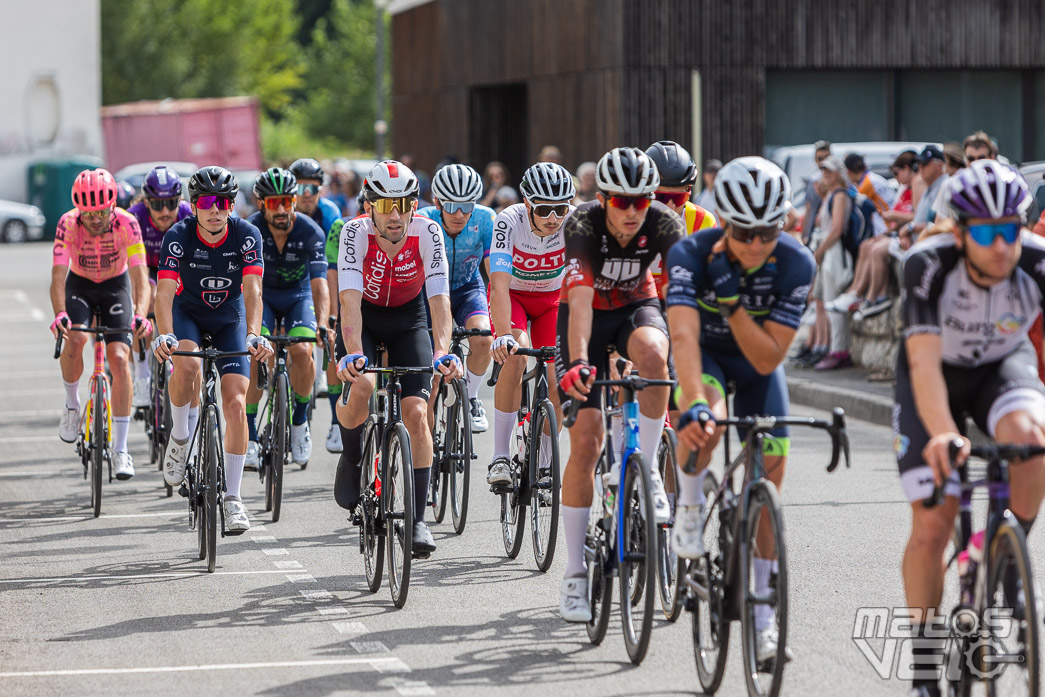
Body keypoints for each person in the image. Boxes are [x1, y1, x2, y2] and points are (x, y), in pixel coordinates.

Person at [893, 160, 1045, 697]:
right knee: (934, 521)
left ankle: (1005, 555)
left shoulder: (1037, 261)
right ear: (959, 231)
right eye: (987, 233)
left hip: (1002, 367)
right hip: (934, 375)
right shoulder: (927, 266)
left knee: (1031, 438)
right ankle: (925, 665)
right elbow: (924, 365)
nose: (1003, 245)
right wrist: (942, 433)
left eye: (1012, 229)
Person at [667, 155, 814, 665]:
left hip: (757, 366)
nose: (755, 244)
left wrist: (731, 304)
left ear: (784, 223)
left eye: (767, 231)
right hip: (703, 356)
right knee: (700, 421)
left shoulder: (797, 263)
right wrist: (692, 406)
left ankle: (765, 623)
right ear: (723, 223)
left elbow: (769, 356)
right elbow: (682, 337)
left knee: (768, 484)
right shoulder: (689, 252)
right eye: (744, 231)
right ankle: (688, 506)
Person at [556, 147, 684, 622]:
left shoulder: (666, 223)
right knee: (586, 444)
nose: (632, 212)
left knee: (656, 354)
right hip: (587, 320)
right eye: (621, 202)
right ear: (604, 198)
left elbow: (683, 296)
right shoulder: (582, 224)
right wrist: (576, 363)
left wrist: (693, 358)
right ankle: (573, 573)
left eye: (642, 201)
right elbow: (582, 304)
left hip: (635, 310)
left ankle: (646, 466)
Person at [333, 160, 461, 557]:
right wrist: (353, 354)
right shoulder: (355, 233)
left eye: (404, 203)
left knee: (417, 414)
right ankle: (353, 455)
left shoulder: (428, 230)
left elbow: (440, 300)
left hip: (409, 319)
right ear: (369, 206)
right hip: (365, 319)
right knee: (365, 384)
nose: (396, 214)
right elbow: (349, 302)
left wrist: (443, 350)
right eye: (386, 205)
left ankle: (418, 518)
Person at [153, 166, 272, 533]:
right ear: (194, 206)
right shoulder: (178, 235)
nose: (215, 210)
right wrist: (165, 335)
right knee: (186, 368)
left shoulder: (247, 235)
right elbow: (164, 293)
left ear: (232, 205)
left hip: (230, 317)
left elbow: (252, 290)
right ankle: (179, 436)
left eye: (223, 202)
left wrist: (254, 333)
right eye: (207, 202)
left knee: (235, 402)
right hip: (187, 313)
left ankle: (233, 499)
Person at [50, 168, 151, 480]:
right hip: (79, 285)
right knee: (76, 338)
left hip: (114, 286)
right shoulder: (68, 223)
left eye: (101, 213)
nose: (95, 220)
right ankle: (71, 406)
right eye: (88, 214)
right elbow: (56, 278)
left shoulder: (128, 224)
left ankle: (121, 449)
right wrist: (59, 314)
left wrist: (140, 316)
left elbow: (140, 278)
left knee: (120, 358)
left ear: (112, 206)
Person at [487, 162, 575, 485]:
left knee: (558, 377)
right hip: (514, 299)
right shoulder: (507, 222)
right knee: (517, 355)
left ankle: (546, 458)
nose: (553, 218)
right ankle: (499, 456)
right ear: (527, 204)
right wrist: (503, 335)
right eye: (544, 209)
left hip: (552, 302)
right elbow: (498, 285)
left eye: (560, 209)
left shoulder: (573, 222)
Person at [243, 167, 329, 469]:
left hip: (298, 296)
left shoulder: (310, 231)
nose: (281, 209)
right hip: (262, 298)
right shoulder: (249, 230)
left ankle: (298, 421)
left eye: (287, 201)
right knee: (256, 352)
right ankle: (250, 433)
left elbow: (320, 283)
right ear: (260, 203)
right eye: (272, 202)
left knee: (303, 350)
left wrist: (322, 323)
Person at [418, 164, 496, 431]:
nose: (460, 214)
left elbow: (493, 272)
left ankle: (471, 397)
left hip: (467, 287)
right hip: (429, 293)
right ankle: (426, 447)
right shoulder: (422, 220)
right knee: (432, 377)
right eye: (451, 206)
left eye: (467, 205)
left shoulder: (486, 219)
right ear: (437, 202)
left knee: (484, 338)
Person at [126, 166, 194, 407]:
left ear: (180, 200)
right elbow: (133, 268)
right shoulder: (133, 217)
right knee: (145, 302)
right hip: (147, 269)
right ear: (146, 203)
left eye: (171, 203)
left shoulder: (187, 214)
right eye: (157, 205)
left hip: (178, 270)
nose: (165, 211)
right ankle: (142, 374)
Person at [644, 140, 718, 300]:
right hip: (639, 301)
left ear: (689, 192)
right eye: (661, 198)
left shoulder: (702, 220)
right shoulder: (630, 218)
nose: (670, 207)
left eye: (678, 198)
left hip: (681, 299)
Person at [810, 155, 854, 370]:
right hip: (828, 250)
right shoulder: (831, 195)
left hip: (833, 253)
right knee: (825, 302)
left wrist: (819, 251)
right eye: (823, 171)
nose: (825, 175)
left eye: (829, 171)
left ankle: (839, 350)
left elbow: (836, 229)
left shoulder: (839, 196)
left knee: (833, 302)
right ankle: (832, 348)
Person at [290, 158, 342, 239]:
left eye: (313, 188)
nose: (307, 194)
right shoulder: (283, 211)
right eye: (301, 188)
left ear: (320, 190)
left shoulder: (330, 211)